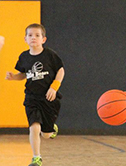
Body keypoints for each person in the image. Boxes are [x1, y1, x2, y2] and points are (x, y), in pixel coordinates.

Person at [5, 23, 64, 166]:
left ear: (43, 39)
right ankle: (36, 157)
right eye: (30, 35)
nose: (33, 38)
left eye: (37, 35)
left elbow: (61, 70)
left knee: (46, 134)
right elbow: (24, 74)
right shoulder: (24, 57)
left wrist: (54, 87)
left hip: (48, 98)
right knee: (34, 126)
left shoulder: (50, 55)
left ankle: (51, 129)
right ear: (25, 39)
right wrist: (14, 77)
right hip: (31, 98)